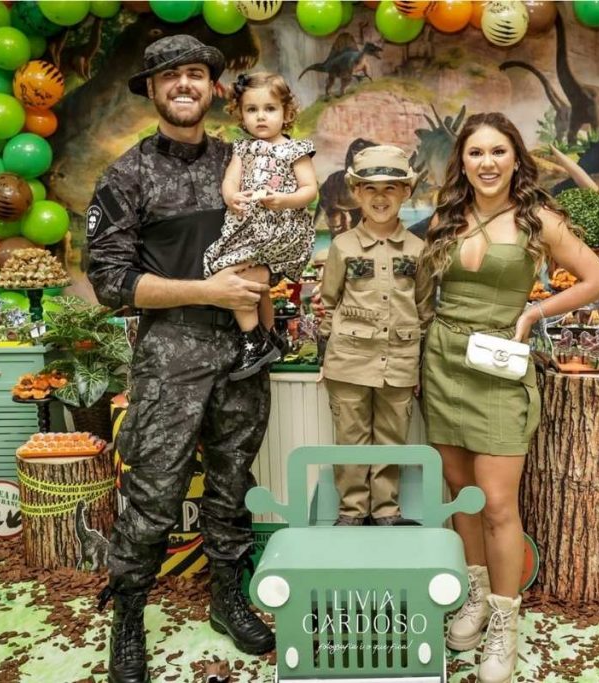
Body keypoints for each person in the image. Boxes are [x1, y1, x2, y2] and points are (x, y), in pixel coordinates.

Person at [85, 35, 275, 683]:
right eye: (170, 77)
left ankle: (227, 599)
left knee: (231, 484)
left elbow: (276, 237)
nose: (184, 85)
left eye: (195, 73)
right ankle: (129, 619)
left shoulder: (243, 160)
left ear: (213, 87)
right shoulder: (127, 175)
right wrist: (207, 290)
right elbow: (111, 282)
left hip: (242, 354)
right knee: (152, 494)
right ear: (154, 90)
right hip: (169, 359)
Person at [420, 112, 599, 683]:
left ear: (515, 158)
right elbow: (424, 288)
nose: (487, 163)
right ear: (462, 161)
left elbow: (597, 280)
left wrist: (534, 311)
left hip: (499, 366)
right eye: (475, 152)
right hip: (443, 361)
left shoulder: (538, 218)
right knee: (463, 494)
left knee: (500, 504)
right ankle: (476, 598)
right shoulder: (447, 216)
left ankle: (506, 621)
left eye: (498, 152)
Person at [317, 145, 434, 526]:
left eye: (390, 188)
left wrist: (421, 366)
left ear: (405, 193)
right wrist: (325, 357)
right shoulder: (342, 247)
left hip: (399, 361)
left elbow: (425, 308)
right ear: (356, 193)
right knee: (350, 440)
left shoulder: (418, 250)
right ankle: (351, 512)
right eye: (370, 189)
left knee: (390, 438)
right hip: (348, 362)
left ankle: (386, 511)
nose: (380, 198)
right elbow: (329, 304)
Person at [204, 71, 318, 380]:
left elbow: (310, 190)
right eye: (252, 110)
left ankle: (252, 340)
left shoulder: (295, 149)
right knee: (257, 286)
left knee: (234, 275)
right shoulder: (241, 150)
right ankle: (268, 336)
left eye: (270, 109)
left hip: (281, 228)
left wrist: (283, 200)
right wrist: (232, 198)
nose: (261, 117)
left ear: (286, 112)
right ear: (240, 114)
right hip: (251, 229)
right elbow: (230, 182)